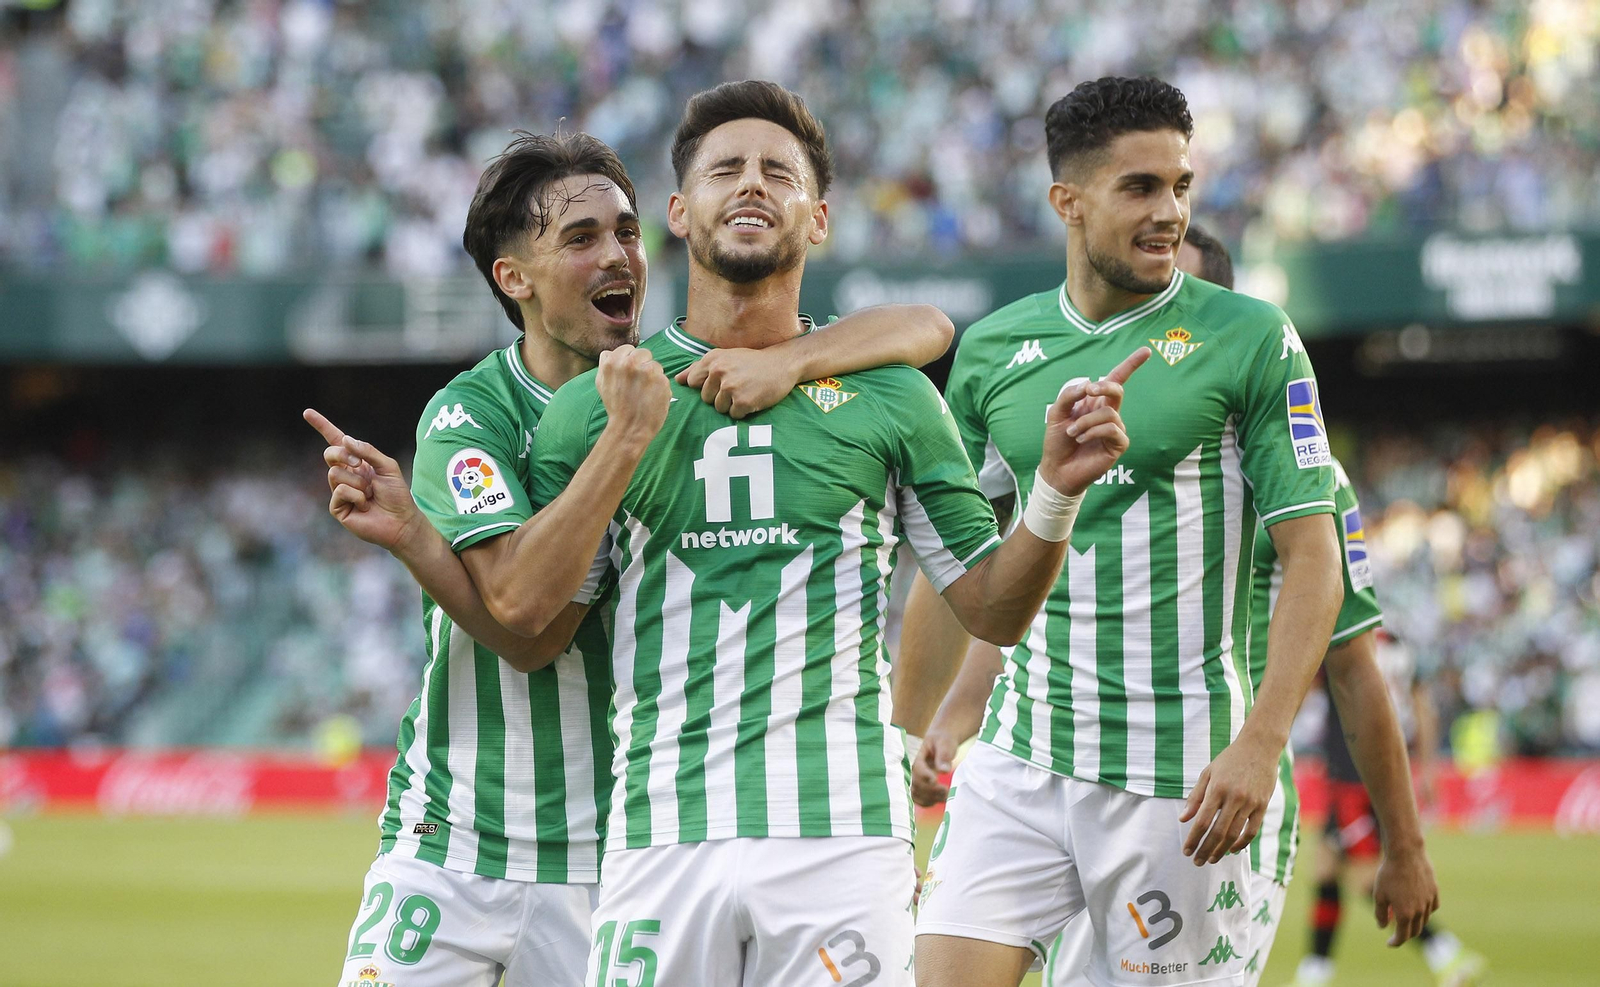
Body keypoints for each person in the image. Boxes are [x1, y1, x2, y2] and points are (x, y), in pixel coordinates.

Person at [524, 79, 1144, 987]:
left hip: (843, 837)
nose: (750, 185)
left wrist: (1051, 490)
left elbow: (994, 609)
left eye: (778, 172)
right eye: (724, 169)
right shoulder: (595, 407)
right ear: (677, 211)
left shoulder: (895, 397)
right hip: (660, 832)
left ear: (817, 219)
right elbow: (535, 620)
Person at [313, 129, 960, 987]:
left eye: (625, 232)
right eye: (581, 239)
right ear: (516, 278)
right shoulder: (475, 416)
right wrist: (423, 540)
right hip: (456, 831)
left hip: (619, 841)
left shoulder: (685, 369)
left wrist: (801, 357)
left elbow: (923, 323)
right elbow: (526, 619)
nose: (618, 255)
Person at [897, 77, 1348, 987]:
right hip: (1020, 758)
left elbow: (1314, 559)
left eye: (1180, 186)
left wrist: (1260, 743)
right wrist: (916, 728)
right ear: (1068, 201)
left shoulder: (1252, 335)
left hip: (1176, 779)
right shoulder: (993, 349)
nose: (1170, 212)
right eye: (1140, 187)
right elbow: (960, 564)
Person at [960, 227, 1438, 986]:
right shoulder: (1066, 442)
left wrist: (1404, 845)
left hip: (1205, 789)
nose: (1146, 339)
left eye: (1171, 325)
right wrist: (950, 723)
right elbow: (1008, 610)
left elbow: (1353, 664)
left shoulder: (1302, 476)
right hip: (1058, 765)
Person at [1287, 629, 1485, 987]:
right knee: (1325, 869)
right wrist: (1428, 767)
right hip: (1385, 768)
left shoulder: (1337, 635)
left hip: (1353, 775)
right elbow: (1423, 706)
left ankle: (1444, 949)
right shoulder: (1396, 642)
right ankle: (1314, 973)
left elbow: (1302, 689)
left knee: (1365, 878)